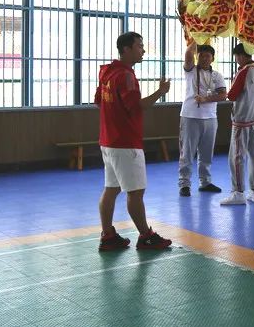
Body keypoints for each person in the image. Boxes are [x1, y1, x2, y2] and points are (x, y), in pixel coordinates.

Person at [96, 31, 173, 252]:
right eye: (139, 46)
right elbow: (138, 106)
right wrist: (160, 91)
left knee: (111, 189)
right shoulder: (126, 76)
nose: (143, 50)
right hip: (125, 143)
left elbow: (99, 101)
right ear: (126, 49)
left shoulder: (107, 72)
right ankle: (146, 236)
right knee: (136, 192)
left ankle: (108, 235)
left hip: (108, 141)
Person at [177, 35, 227, 197]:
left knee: (206, 152)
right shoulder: (191, 71)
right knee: (187, 152)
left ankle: (205, 182)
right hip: (190, 116)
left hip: (210, 117)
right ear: (197, 57)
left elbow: (223, 95)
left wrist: (206, 99)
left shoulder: (216, 75)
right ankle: (184, 184)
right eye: (201, 55)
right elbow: (188, 54)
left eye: (208, 56)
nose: (204, 58)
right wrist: (198, 35)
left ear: (213, 58)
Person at [221, 43, 254, 206]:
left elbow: (231, 95)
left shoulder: (243, 71)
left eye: (237, 56)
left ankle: (238, 192)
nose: (236, 59)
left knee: (237, 156)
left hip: (241, 120)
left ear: (241, 55)